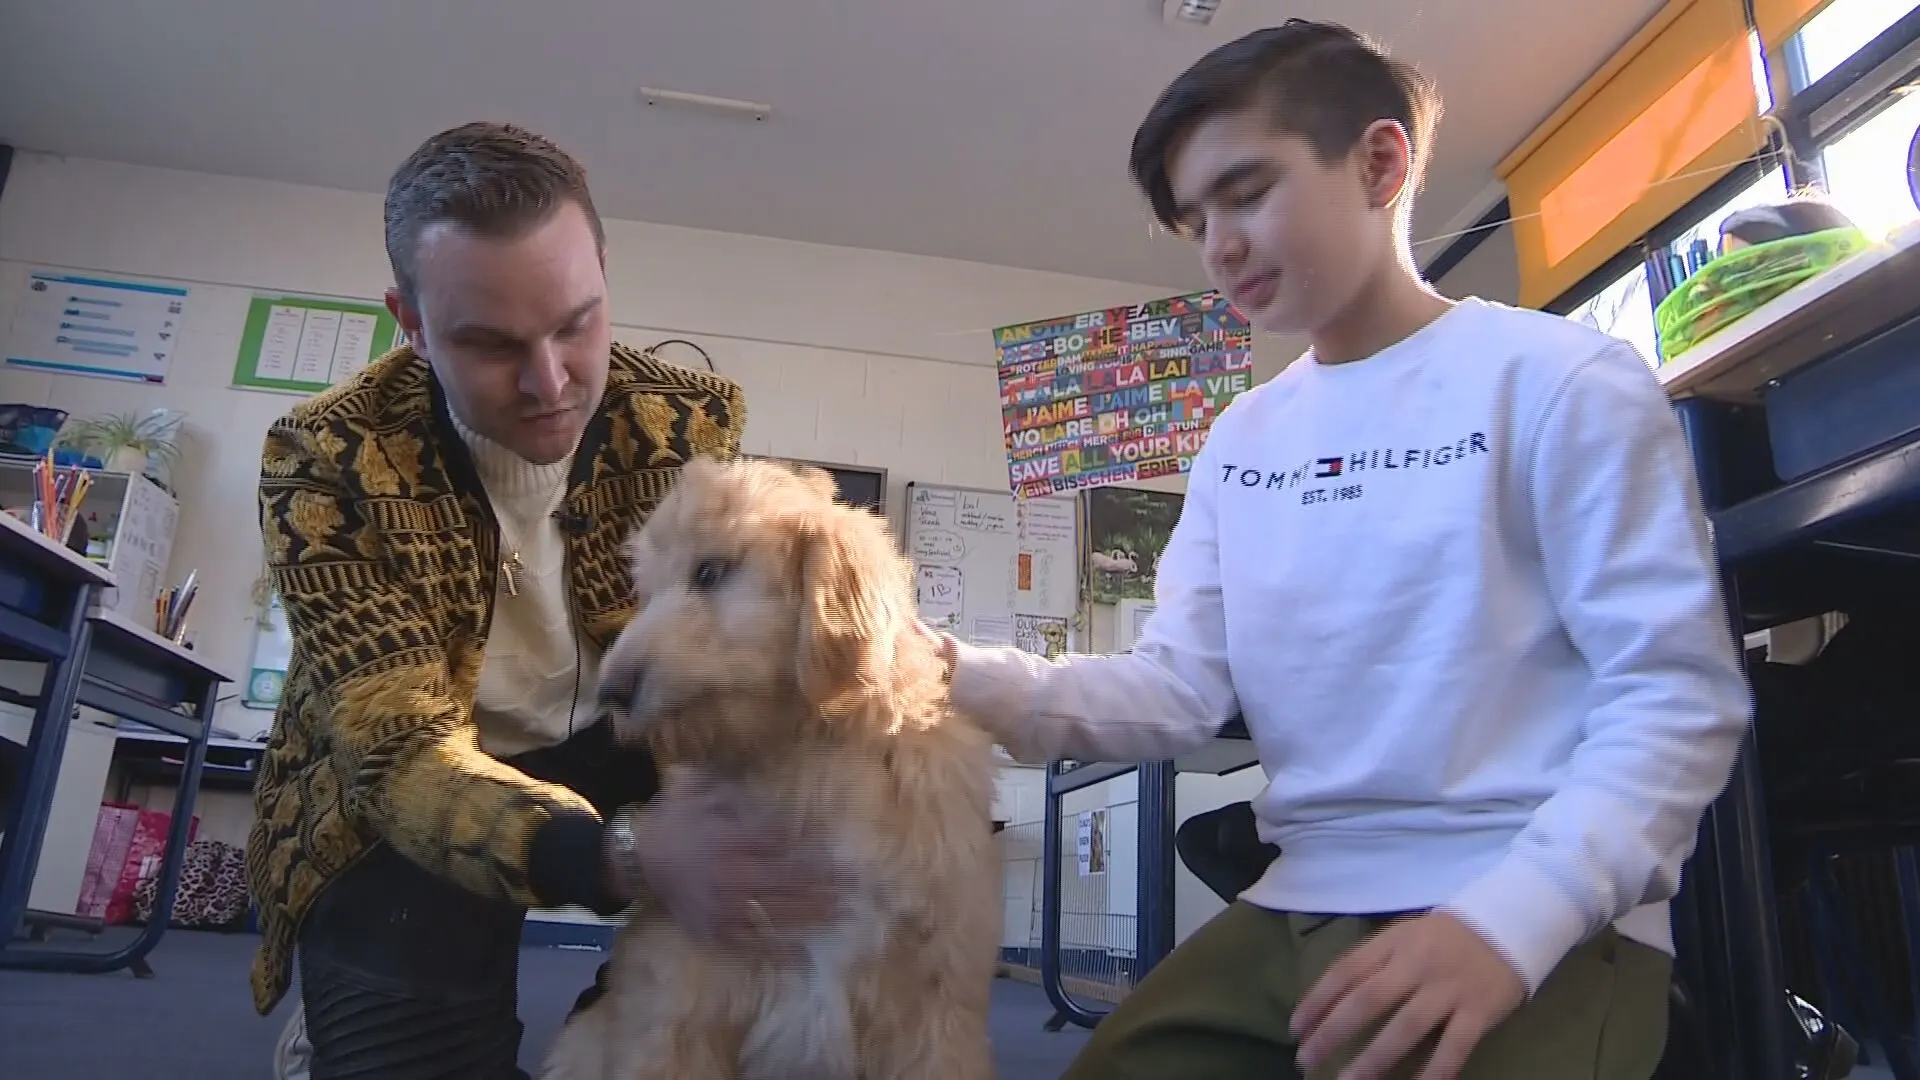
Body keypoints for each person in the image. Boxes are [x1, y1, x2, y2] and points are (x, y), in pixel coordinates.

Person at [927, 21, 1751, 1080]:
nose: (1218, 244)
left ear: (1380, 163)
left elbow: (1678, 695)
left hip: (1531, 906)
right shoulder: (1243, 438)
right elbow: (1176, 689)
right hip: (1298, 899)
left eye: (1247, 192)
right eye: (1195, 219)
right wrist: (950, 677)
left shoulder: (1558, 379)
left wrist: (1513, 923)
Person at [250, 121, 842, 1079]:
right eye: (489, 344)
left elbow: (721, 648)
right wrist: (623, 861)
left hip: (623, 734)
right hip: (404, 794)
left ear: (603, 271)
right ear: (409, 320)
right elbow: (399, 752)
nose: (550, 382)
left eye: (577, 323)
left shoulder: (684, 421)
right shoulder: (323, 461)